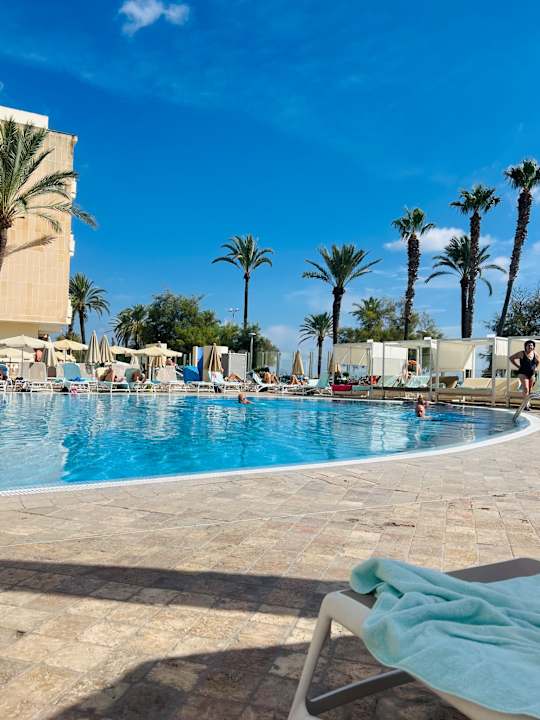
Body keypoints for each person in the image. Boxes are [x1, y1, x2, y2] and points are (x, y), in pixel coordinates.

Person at [510, 340, 540, 411]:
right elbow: (511, 358)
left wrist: (535, 368)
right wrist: (517, 366)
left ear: (533, 347)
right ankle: (526, 405)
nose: (530, 346)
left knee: (530, 389)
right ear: (525, 346)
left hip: (531, 373)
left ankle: (527, 403)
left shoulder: (535, 354)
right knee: (526, 388)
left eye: (531, 345)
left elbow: (538, 361)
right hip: (523, 373)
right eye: (528, 345)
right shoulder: (521, 353)